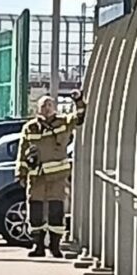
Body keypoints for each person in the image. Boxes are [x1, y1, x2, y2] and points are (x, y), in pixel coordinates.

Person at [16, 89, 87, 258]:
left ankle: (55, 246)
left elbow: (80, 117)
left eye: (49, 105)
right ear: (37, 109)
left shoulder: (63, 122)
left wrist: (78, 100)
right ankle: (38, 246)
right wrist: (21, 172)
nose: (46, 108)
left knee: (57, 212)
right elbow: (22, 151)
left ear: (54, 107)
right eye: (43, 106)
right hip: (36, 178)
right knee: (35, 212)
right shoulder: (30, 128)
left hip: (57, 179)